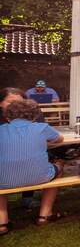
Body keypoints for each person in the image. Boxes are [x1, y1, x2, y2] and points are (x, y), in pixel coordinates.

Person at [0, 99, 66, 234]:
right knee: (59, 165)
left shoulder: (1, 129)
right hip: (40, 177)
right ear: (35, 116)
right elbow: (60, 139)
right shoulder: (41, 127)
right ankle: (45, 214)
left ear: (7, 116)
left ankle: (2, 221)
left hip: (4, 180)